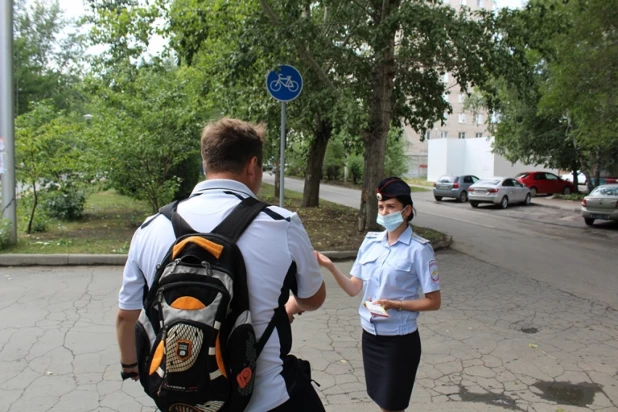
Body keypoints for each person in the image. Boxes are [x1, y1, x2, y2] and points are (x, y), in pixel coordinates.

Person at [116, 118, 327, 411]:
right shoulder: (282, 224)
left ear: (206, 163)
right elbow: (312, 298)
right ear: (253, 165)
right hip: (268, 397)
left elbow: (126, 317)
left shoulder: (151, 228)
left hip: (183, 398)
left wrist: (130, 365)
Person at [315, 177, 441, 412]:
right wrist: (331, 266)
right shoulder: (371, 242)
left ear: (407, 211)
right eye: (381, 207)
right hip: (371, 336)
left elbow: (434, 302)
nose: (384, 212)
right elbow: (354, 288)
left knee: (391, 405)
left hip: (399, 341)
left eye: (391, 207)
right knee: (380, 399)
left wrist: (397, 304)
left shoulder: (420, 250)